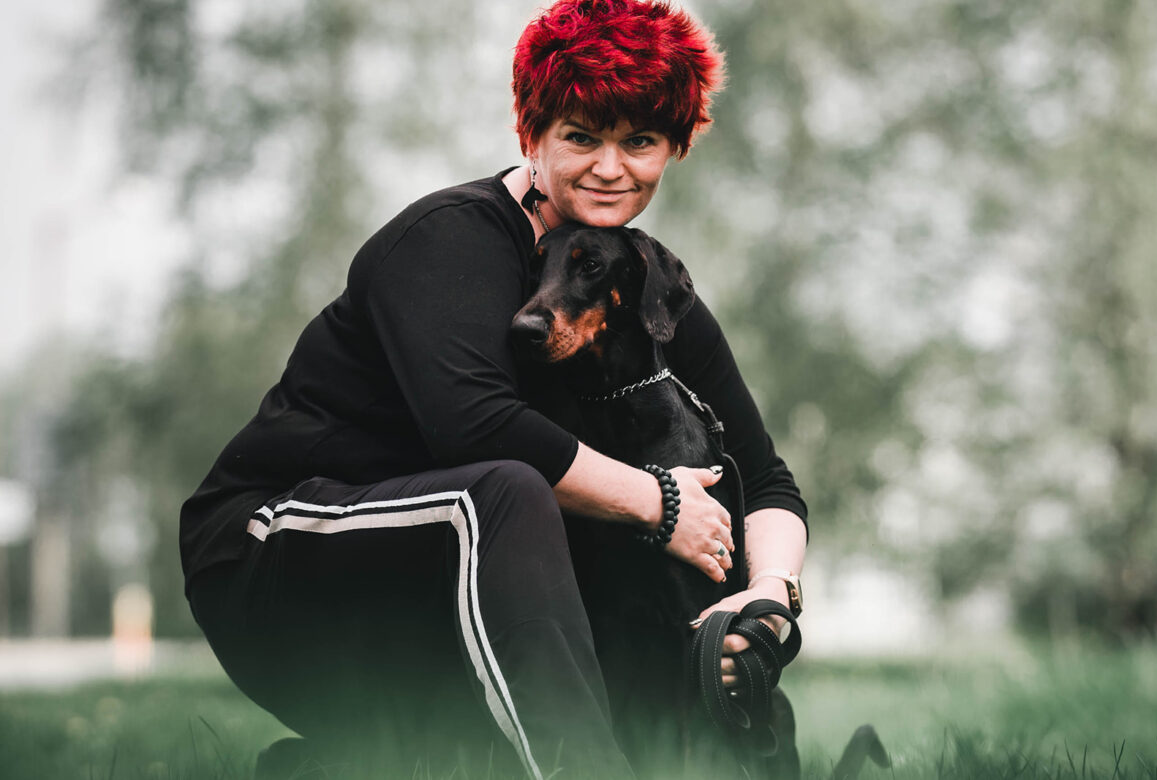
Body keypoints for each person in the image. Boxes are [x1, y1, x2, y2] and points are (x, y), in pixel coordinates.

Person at [180, 1, 808, 777]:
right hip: (274, 551)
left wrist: (764, 597)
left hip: (446, 569)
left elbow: (767, 478)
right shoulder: (448, 238)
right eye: (581, 137)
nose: (610, 168)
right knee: (510, 491)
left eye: (639, 141)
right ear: (531, 137)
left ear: (673, 148)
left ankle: (345, 762)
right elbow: (475, 428)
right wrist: (662, 504)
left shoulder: (646, 286)